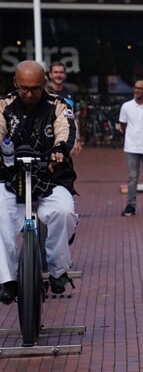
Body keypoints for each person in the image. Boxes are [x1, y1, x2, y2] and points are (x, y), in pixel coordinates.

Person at [0, 61, 78, 303]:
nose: (29, 94)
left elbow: (66, 130)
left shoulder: (58, 105)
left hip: (50, 178)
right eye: (24, 88)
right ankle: (8, 279)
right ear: (15, 83)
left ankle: (58, 272)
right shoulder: (4, 105)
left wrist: (59, 148)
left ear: (44, 84)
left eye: (35, 88)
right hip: (12, 179)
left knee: (64, 213)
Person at [118, 80, 143, 217]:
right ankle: (131, 205)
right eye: (135, 88)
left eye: (140, 88)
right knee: (132, 177)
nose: (136, 91)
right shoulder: (126, 106)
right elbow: (123, 125)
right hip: (131, 146)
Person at [47, 61, 82, 156]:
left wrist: (78, 140)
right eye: (56, 72)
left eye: (61, 72)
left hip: (66, 137)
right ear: (50, 75)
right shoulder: (45, 93)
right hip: (47, 136)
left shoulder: (71, 93)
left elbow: (75, 117)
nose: (59, 75)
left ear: (65, 75)